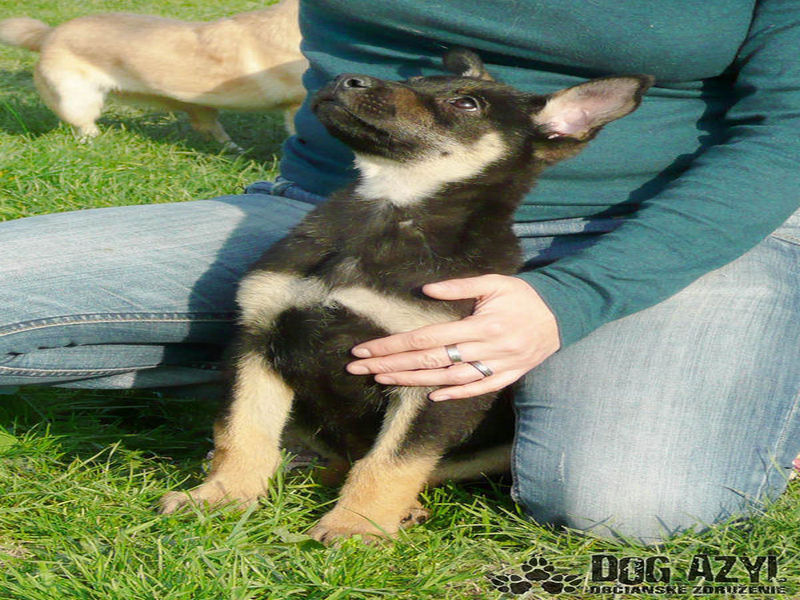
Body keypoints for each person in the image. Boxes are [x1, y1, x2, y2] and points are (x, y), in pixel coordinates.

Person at [2, 0, 799, 544]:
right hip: (338, 200)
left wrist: (578, 296)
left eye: (457, 103)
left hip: (658, 225)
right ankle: (314, 397)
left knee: (631, 505)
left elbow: (788, 128)